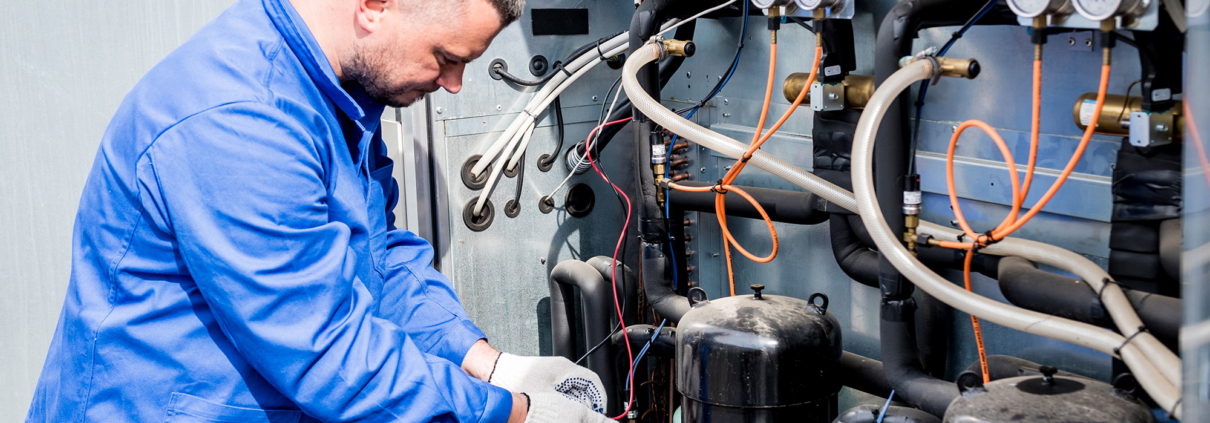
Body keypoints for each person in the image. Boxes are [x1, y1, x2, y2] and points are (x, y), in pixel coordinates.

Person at [25, 0, 612, 421]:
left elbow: (376, 259)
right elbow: (324, 350)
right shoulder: (241, 121)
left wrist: (489, 364)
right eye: (445, 55)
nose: (455, 84)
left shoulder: (337, 95)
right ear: (375, 6)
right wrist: (512, 414)